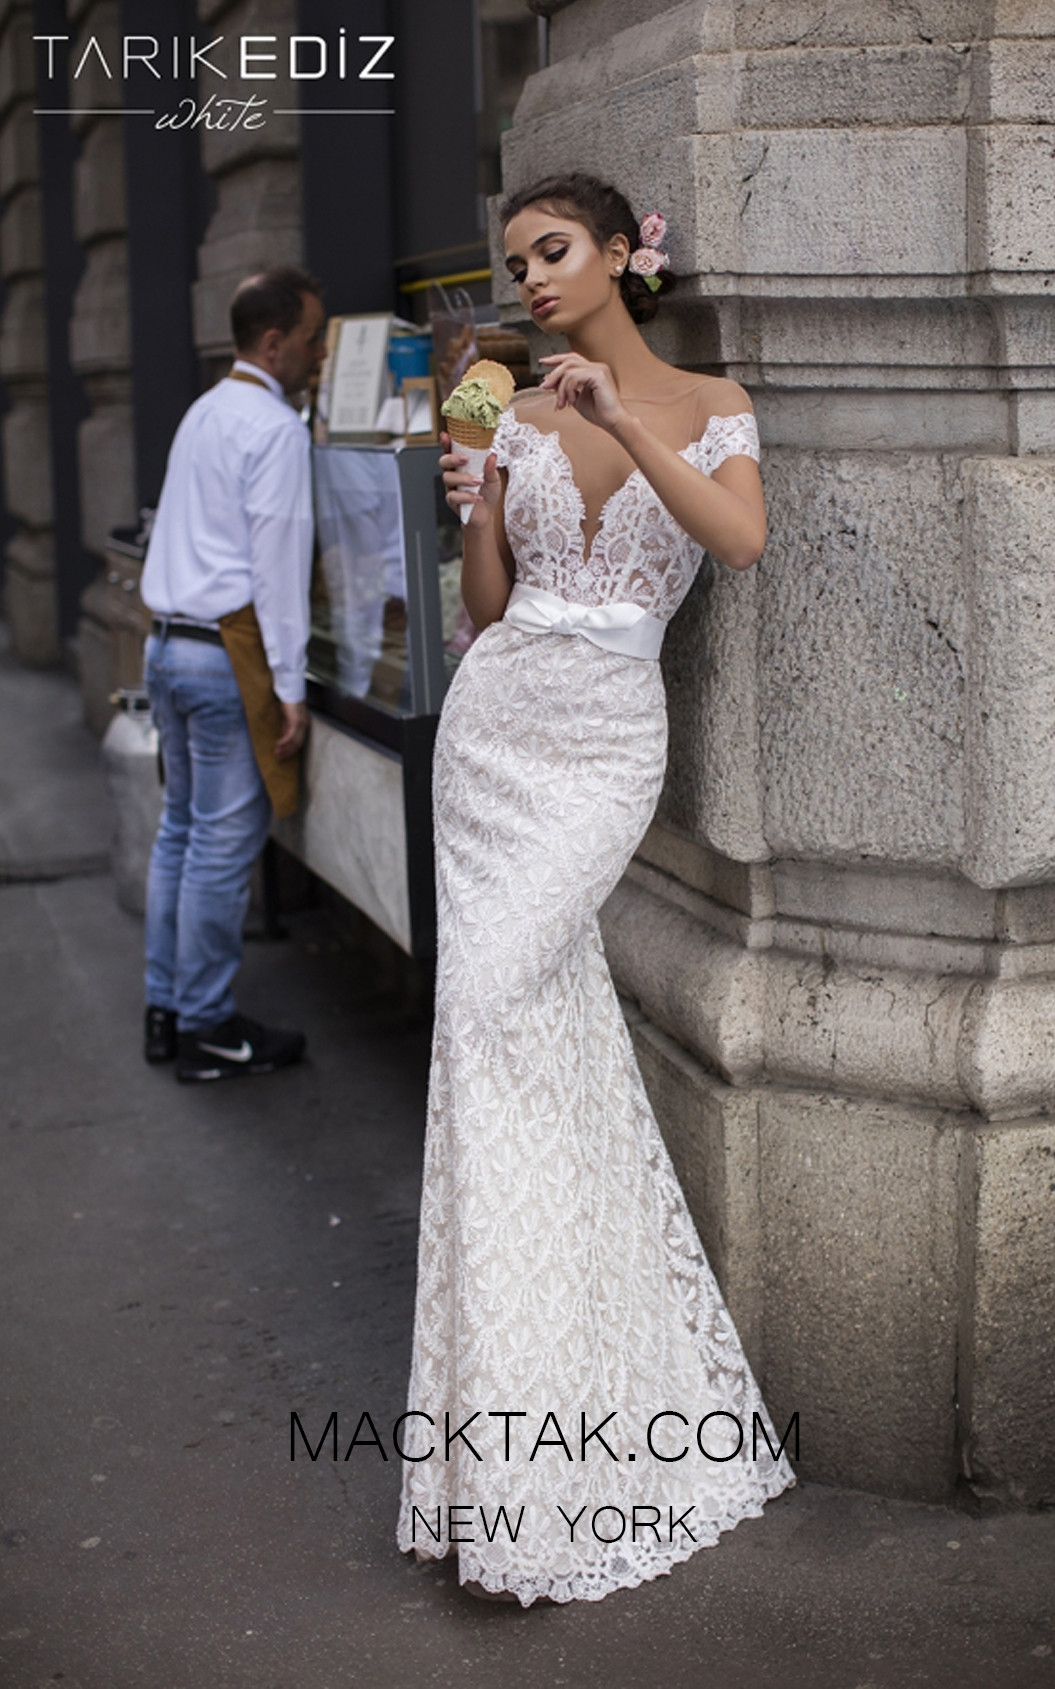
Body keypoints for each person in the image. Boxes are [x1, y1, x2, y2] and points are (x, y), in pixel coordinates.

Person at [396, 175, 794, 1605]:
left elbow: (738, 544)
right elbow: (487, 612)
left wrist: (620, 419)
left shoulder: (705, 397)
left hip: (606, 745)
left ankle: (563, 1397)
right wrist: (476, 503)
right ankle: (520, 1431)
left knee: (504, 1016)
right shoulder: (497, 402)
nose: (530, 278)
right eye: (514, 260)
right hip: (493, 733)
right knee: (498, 1030)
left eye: (552, 251)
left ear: (624, 255)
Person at [139, 265, 326, 1082]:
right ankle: (208, 1026)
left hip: (167, 647)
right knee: (218, 847)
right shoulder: (274, 427)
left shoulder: (203, 412)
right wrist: (289, 686)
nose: (320, 355)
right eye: (314, 340)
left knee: (180, 832)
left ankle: (165, 1009)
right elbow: (277, 569)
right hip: (223, 661)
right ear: (275, 342)